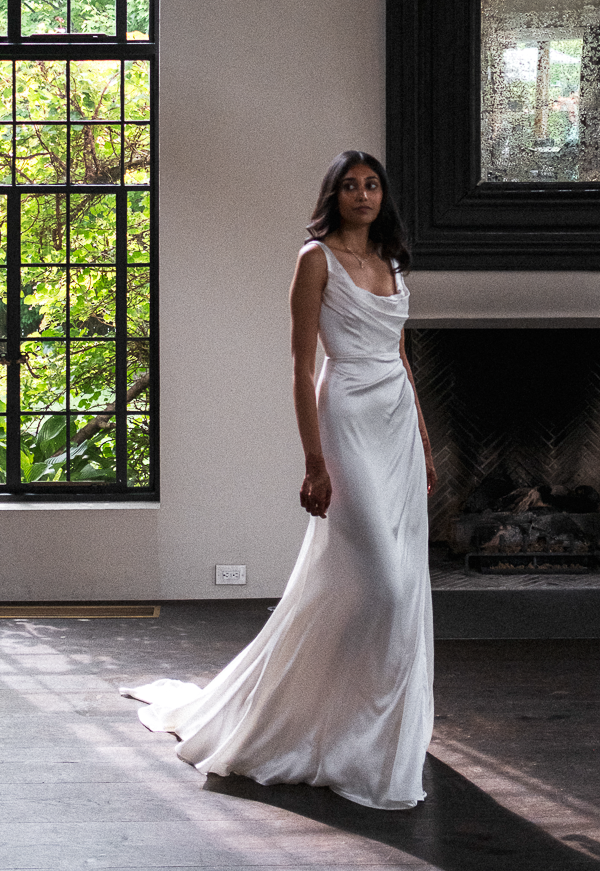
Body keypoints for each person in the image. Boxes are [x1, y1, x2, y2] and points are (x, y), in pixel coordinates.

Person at [120, 150, 436, 810]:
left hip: (397, 424)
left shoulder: (394, 263)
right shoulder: (314, 259)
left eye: (372, 183)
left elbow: (403, 358)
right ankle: (307, 713)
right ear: (333, 195)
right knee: (381, 580)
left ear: (384, 194)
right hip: (345, 413)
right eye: (349, 185)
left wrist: (426, 445)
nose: (362, 194)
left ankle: (373, 728)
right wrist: (313, 460)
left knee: (398, 588)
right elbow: (299, 365)